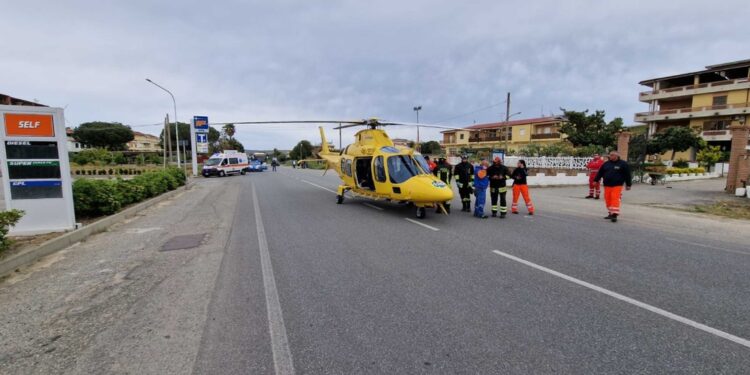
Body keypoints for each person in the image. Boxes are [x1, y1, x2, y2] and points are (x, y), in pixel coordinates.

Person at [594, 151, 632, 222]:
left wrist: (628, 184)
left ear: (616, 156)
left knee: (614, 198)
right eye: (610, 155)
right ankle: (610, 212)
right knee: (607, 199)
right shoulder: (606, 164)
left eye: (612, 155)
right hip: (607, 185)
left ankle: (614, 214)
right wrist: (596, 180)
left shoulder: (623, 164)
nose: (610, 156)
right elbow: (600, 173)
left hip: (617, 185)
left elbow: (628, 175)